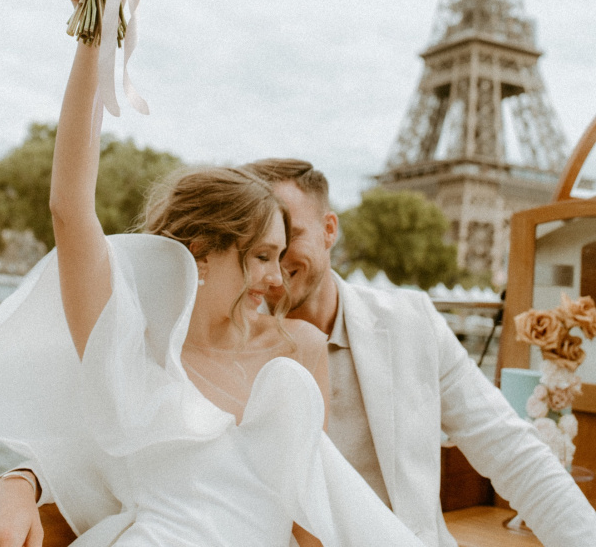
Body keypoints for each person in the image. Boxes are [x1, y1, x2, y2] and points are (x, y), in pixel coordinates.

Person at [0, 0, 422, 547]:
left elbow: (312, 507)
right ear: (200, 254)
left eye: (281, 256)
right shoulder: (134, 346)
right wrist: (96, 30)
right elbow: (70, 208)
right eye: (260, 256)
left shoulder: (302, 349)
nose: (276, 275)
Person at [240, 158, 596, 547]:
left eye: (289, 235)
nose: (271, 263)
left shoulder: (414, 323)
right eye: (252, 243)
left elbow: (512, 451)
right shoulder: (226, 347)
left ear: (329, 230)